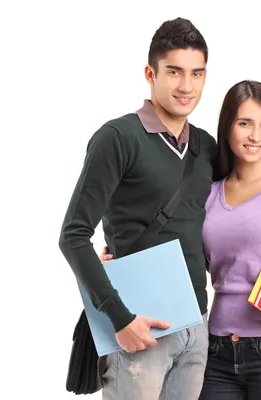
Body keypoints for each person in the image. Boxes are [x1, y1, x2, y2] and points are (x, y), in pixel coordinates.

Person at [102, 80, 261, 399]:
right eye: (244, 123)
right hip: (216, 351)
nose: (255, 136)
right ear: (227, 127)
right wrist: (121, 261)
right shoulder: (207, 194)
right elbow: (183, 258)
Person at [58, 17, 216, 400]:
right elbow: (73, 236)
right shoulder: (118, 138)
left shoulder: (207, 148)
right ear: (150, 73)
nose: (186, 85)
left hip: (197, 327)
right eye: (174, 71)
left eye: (197, 73)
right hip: (138, 330)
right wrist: (120, 318)